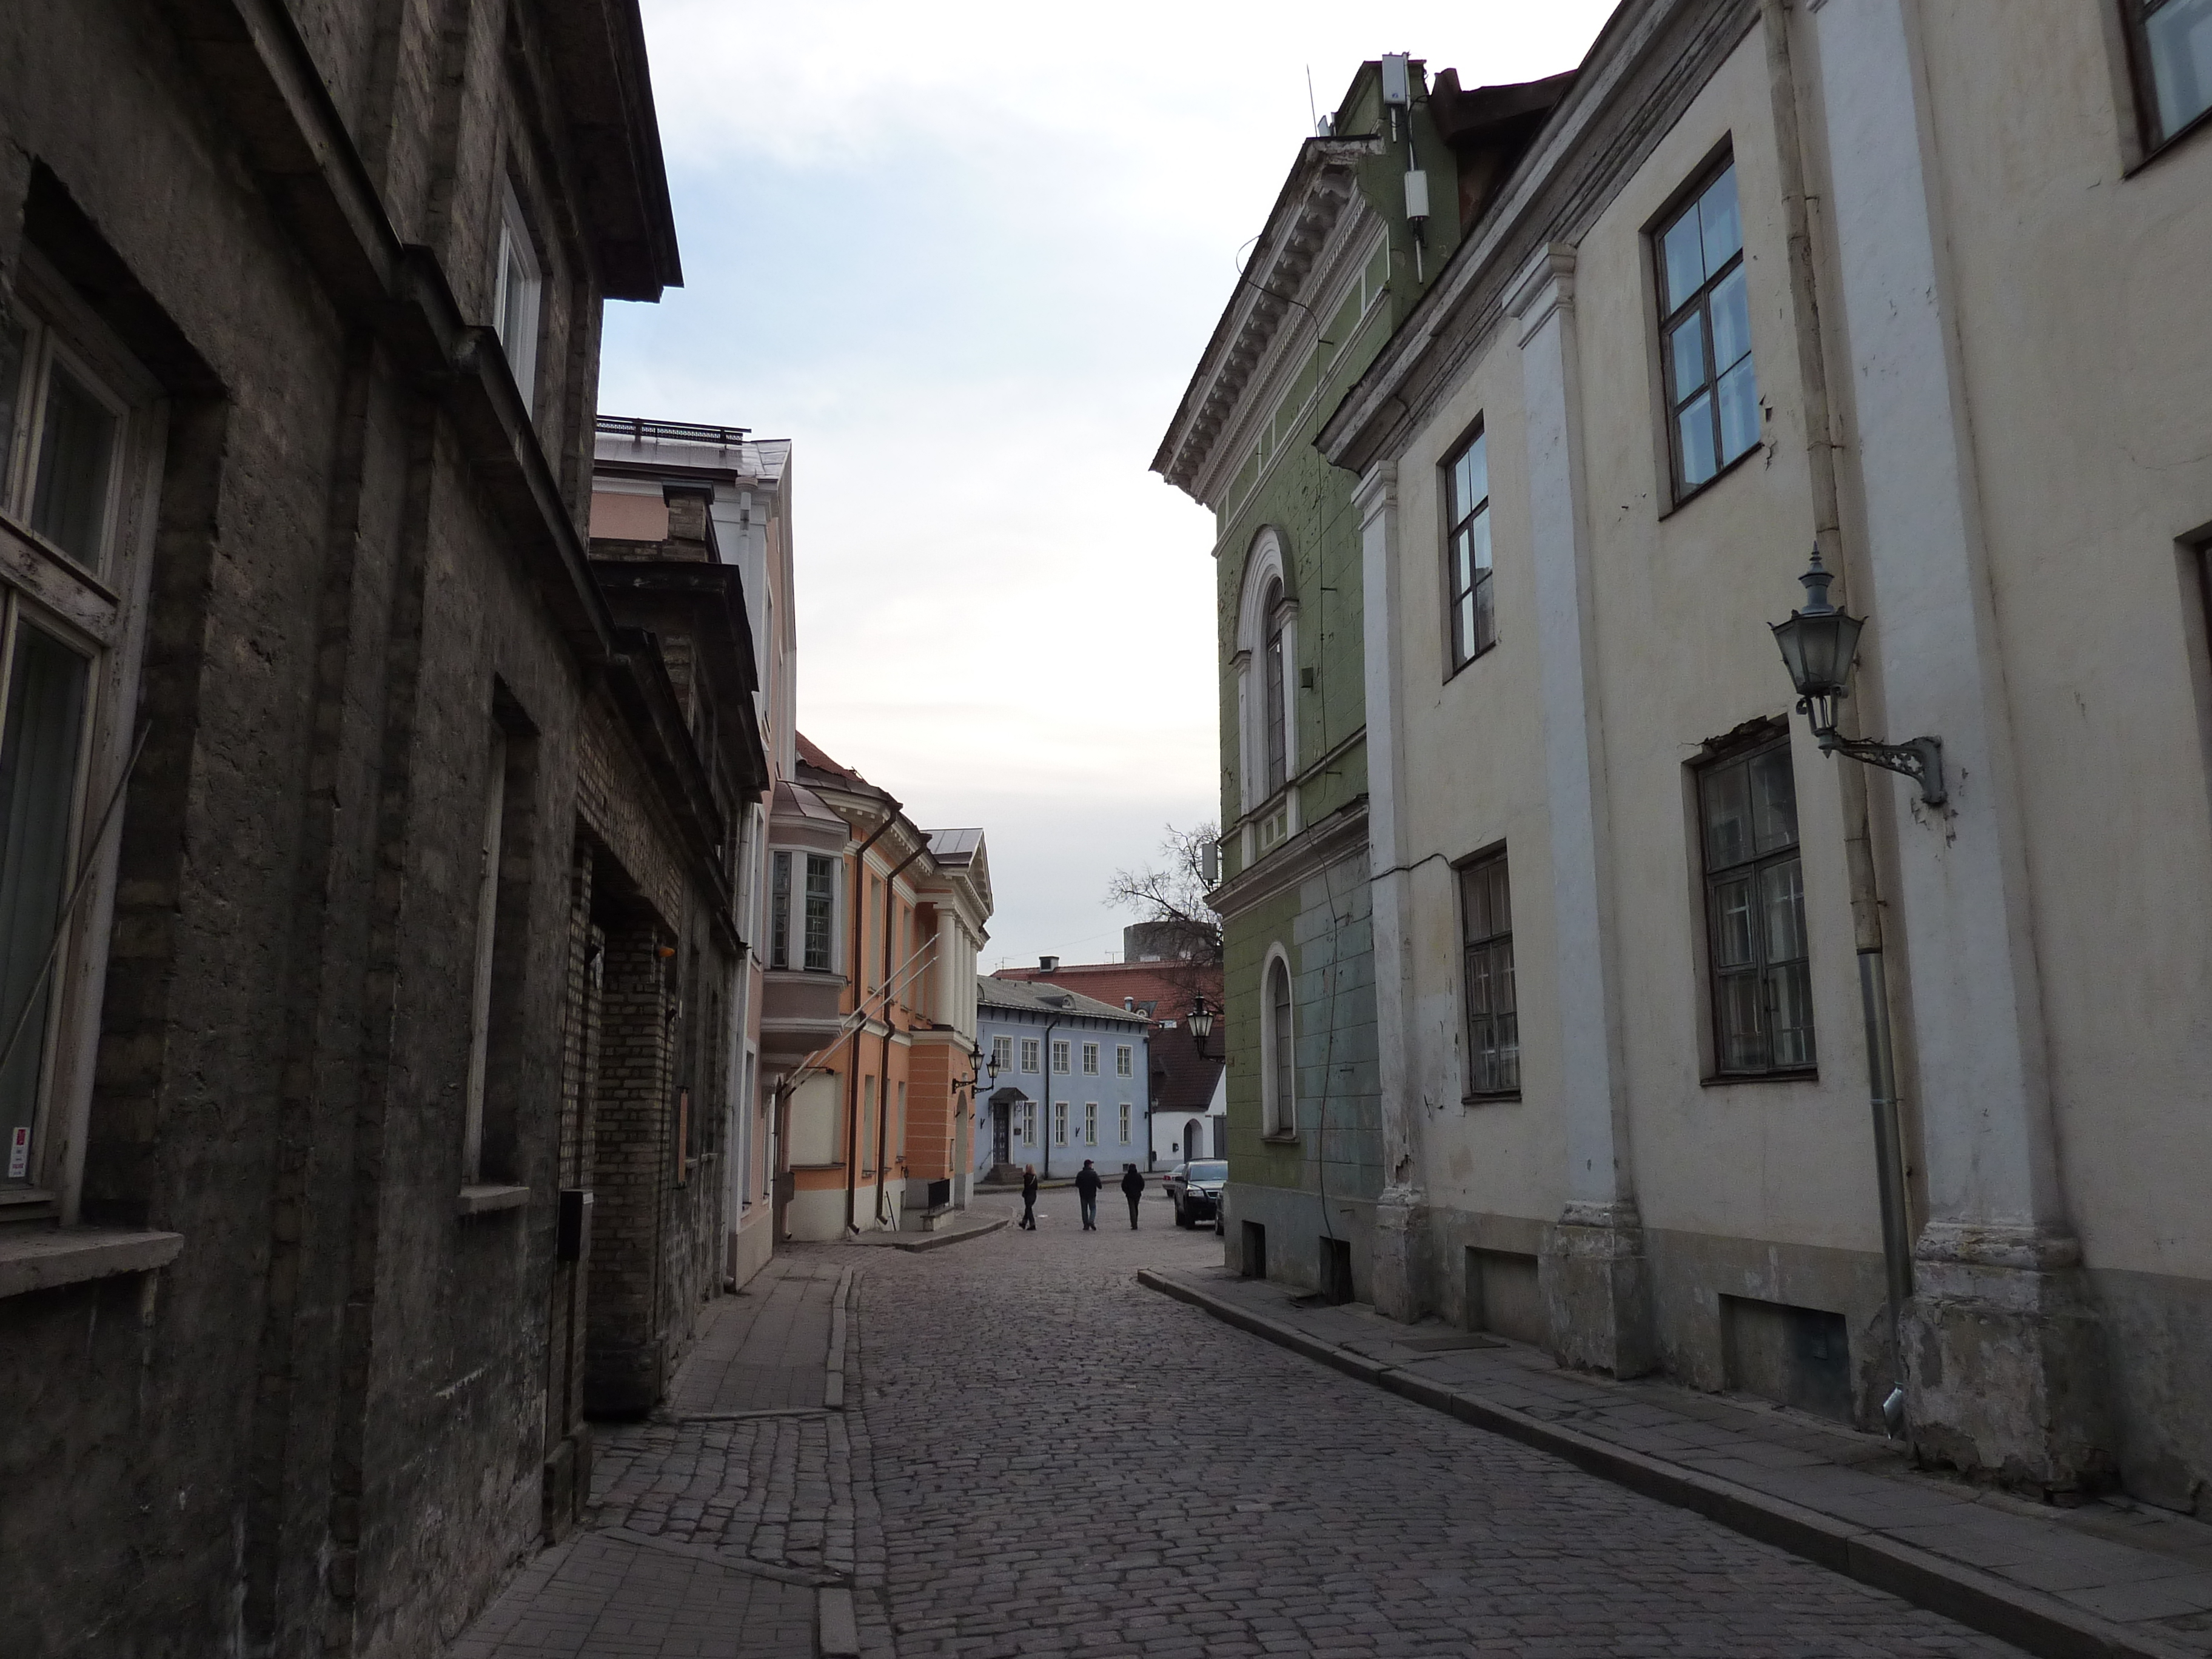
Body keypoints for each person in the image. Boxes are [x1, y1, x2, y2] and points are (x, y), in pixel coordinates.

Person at [1074, 1159, 1102, 1230]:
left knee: (1084, 1210)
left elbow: (1077, 1184)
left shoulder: (1080, 1174)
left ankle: (1086, 1225)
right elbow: (1099, 1185)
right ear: (1089, 1165)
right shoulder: (1093, 1174)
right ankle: (1091, 1221)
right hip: (1092, 1194)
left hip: (1083, 1194)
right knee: (1093, 1208)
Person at [1120, 1162, 1145, 1229]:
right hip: (1137, 1195)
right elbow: (1142, 1184)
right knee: (1136, 1208)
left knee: (1132, 1209)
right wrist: (1140, 1190)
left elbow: (1123, 1185)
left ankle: (1134, 1224)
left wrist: (1126, 1192)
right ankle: (1135, 1221)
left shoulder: (1127, 1176)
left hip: (1130, 1195)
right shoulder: (1138, 1176)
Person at [1019, 1164, 1038, 1230]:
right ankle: (1024, 1223)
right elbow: (1036, 1188)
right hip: (1034, 1195)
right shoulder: (1035, 1177)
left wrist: (1024, 1194)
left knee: (1029, 1210)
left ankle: (1032, 1224)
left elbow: (1026, 1186)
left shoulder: (1027, 1177)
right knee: (1028, 1209)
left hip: (1028, 1196)